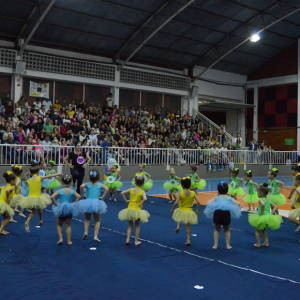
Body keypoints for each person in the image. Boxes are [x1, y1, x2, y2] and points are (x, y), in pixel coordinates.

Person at [19, 165, 61, 232]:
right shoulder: (40, 178)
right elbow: (49, 176)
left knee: (33, 211)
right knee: (40, 209)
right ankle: (41, 220)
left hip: (30, 198)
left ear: (31, 173)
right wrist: (58, 174)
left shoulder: (29, 180)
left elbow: (28, 184)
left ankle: (27, 222)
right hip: (38, 197)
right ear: (38, 172)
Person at [204, 181, 241, 250]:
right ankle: (228, 245)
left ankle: (215, 245)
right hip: (226, 214)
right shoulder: (229, 198)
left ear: (218, 190)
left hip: (218, 214)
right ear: (227, 190)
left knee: (216, 230)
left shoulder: (216, 197)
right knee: (227, 230)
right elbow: (238, 203)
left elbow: (208, 203)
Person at [78, 170, 109, 242]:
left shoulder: (88, 184)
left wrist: (83, 194)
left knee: (87, 219)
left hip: (88, 202)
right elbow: (107, 189)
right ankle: (95, 236)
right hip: (97, 203)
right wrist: (103, 197)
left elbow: (81, 186)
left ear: (89, 177)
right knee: (97, 220)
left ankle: (85, 232)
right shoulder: (100, 185)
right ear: (99, 177)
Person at [248, 183, 282, 248]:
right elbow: (275, 206)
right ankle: (266, 243)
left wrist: (262, 211)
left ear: (261, 193)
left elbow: (263, 204)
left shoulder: (260, 199)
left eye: (257, 192)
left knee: (257, 230)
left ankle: (258, 244)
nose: (257, 193)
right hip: (268, 217)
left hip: (261, 217)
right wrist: (272, 213)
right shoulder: (268, 200)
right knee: (263, 231)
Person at [119, 173, 149, 246]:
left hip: (129, 210)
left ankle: (128, 239)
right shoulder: (142, 192)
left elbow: (122, 193)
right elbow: (145, 199)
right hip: (137, 211)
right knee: (137, 226)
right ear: (143, 183)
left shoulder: (131, 189)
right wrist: (141, 204)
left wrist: (126, 201)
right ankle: (136, 241)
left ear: (135, 182)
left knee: (130, 225)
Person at [51, 174, 81, 245]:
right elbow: (79, 196)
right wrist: (74, 203)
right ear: (71, 182)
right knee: (68, 225)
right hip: (69, 208)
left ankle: (61, 239)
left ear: (61, 182)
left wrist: (56, 204)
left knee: (59, 225)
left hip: (61, 208)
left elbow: (52, 197)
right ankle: (69, 241)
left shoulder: (60, 191)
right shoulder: (72, 191)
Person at [170, 176, 200, 246]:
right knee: (188, 226)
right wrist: (197, 210)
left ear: (181, 185)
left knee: (178, 216)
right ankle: (188, 240)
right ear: (190, 185)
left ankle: (178, 227)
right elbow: (198, 202)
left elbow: (176, 203)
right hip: (189, 210)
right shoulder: (193, 193)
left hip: (181, 209)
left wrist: (172, 209)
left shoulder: (180, 193)